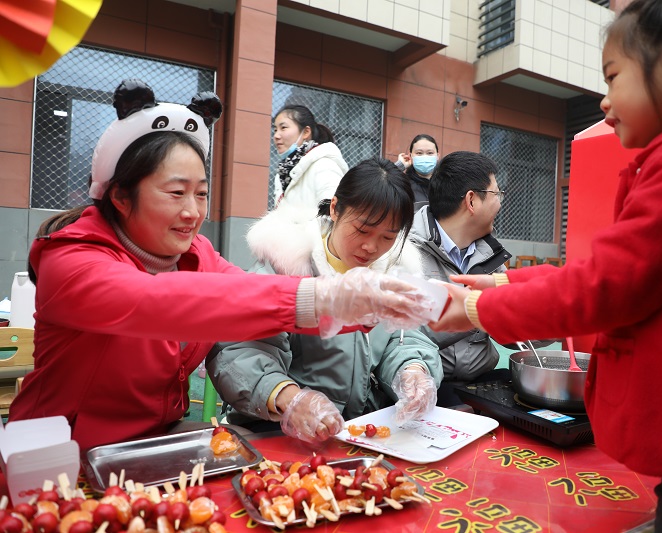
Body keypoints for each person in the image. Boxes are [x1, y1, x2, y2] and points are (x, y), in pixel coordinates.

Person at [430, 1, 662, 530]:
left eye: (612, 77)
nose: (603, 101)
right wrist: (500, 282)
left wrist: (477, 307)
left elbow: (606, 285)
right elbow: (613, 270)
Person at [8, 80, 433, 450]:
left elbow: (248, 295)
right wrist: (324, 297)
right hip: (61, 454)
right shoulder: (71, 258)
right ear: (120, 196)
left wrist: (372, 308)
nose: (193, 212)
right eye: (176, 193)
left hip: (154, 446)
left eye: (201, 193)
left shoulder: (197, 257)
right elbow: (157, 301)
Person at [208, 157, 443, 443]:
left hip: (360, 432)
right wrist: (288, 397)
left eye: (388, 237)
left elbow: (405, 338)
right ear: (334, 208)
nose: (371, 247)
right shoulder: (285, 267)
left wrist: (413, 370)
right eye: (362, 230)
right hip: (281, 432)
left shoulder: (395, 272)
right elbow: (241, 350)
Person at [407, 151, 511, 405]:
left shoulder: (490, 253)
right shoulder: (406, 250)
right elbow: (403, 334)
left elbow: (510, 327)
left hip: (481, 382)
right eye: (497, 194)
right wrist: (479, 310)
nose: (500, 204)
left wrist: (557, 322)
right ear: (472, 200)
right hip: (424, 385)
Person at [272, 104, 348, 211]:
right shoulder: (283, 173)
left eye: (283, 128)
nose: (276, 135)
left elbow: (332, 213)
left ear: (306, 132)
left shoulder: (324, 165)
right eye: (275, 130)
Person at [395, 134, 439, 210]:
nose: (425, 157)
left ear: (437, 156)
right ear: (410, 155)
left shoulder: (447, 184)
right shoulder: (404, 185)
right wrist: (398, 166)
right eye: (419, 153)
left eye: (430, 153)